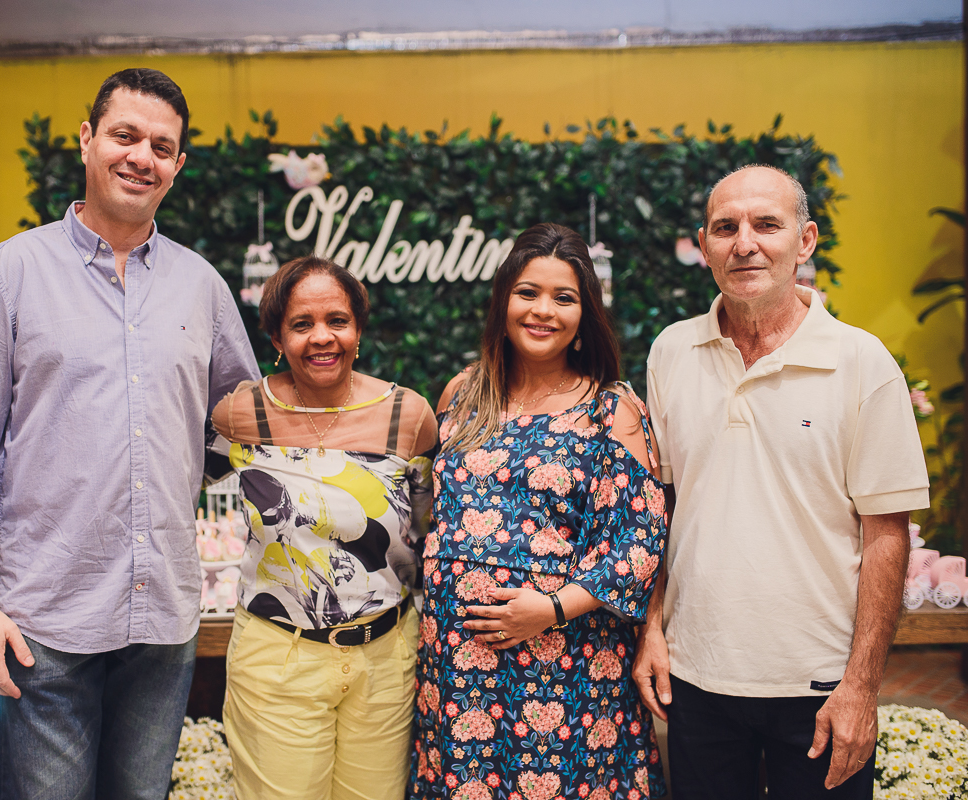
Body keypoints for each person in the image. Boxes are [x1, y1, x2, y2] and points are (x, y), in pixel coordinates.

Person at [0, 68, 259, 799]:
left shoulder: (201, 287)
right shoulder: (10, 273)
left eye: (161, 146)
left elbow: (241, 424)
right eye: (125, 136)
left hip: (163, 615)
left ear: (178, 165)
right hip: (41, 618)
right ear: (87, 140)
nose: (142, 157)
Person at [634, 165, 930, 798]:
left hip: (821, 685)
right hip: (697, 676)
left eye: (766, 224)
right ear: (704, 245)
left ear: (805, 240)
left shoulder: (862, 362)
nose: (744, 243)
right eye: (725, 228)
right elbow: (662, 506)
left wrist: (862, 687)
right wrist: (652, 627)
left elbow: (886, 535)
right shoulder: (671, 352)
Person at [409, 223, 668, 800]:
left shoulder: (611, 409)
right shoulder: (463, 394)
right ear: (503, 302)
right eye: (527, 292)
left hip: (565, 665)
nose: (543, 310)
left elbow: (641, 542)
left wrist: (549, 609)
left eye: (563, 297)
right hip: (457, 668)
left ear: (584, 314)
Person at [204, 255, 438, 800]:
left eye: (337, 320)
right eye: (301, 324)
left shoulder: (408, 417)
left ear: (358, 330)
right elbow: (171, 486)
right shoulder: (241, 414)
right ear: (277, 338)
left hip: (386, 659)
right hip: (277, 659)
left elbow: (428, 531)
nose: (322, 337)